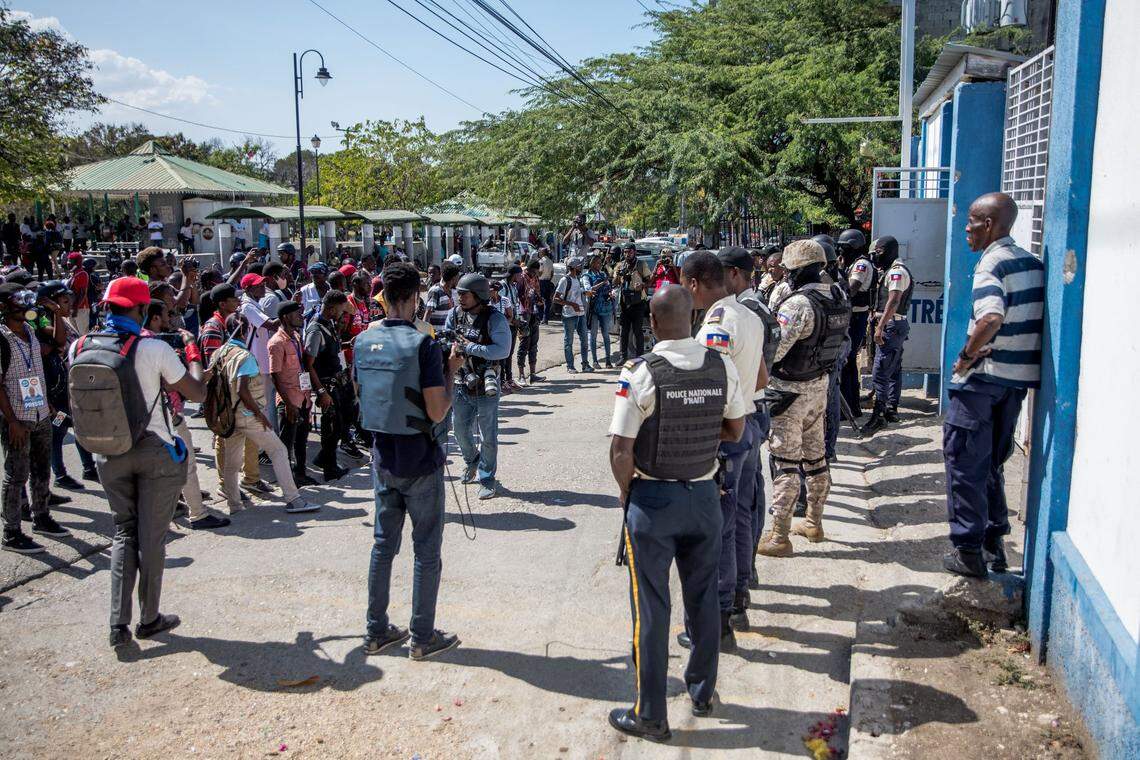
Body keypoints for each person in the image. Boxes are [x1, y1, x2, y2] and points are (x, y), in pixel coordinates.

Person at [607, 284, 747, 741]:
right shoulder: (720, 364)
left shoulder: (642, 373)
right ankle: (703, 692)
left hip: (654, 501)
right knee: (703, 599)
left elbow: (620, 450)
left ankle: (650, 714)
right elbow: (735, 426)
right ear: (693, 317)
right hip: (706, 498)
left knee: (652, 608)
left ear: (651, 322)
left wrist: (630, 496)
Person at [69, 277, 205, 645]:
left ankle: (118, 623)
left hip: (107, 452)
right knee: (152, 539)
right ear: (143, 308)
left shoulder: (79, 346)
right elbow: (195, 391)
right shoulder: (153, 347)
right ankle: (149, 618)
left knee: (123, 533)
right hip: (153, 451)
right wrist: (193, 355)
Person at [356, 261, 466, 660]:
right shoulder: (425, 345)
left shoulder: (363, 341)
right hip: (420, 458)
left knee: (383, 546)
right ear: (415, 298)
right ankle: (422, 637)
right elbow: (437, 411)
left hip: (382, 455)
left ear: (383, 295)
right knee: (426, 551)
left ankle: (375, 631)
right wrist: (451, 371)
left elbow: (362, 391)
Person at [943, 193, 1044, 577]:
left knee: (965, 462)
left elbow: (990, 317)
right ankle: (992, 544)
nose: (965, 227)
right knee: (991, 465)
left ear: (988, 224)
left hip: (983, 380)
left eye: (971, 220)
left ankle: (967, 551)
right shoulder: (1030, 262)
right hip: (1014, 384)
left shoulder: (991, 264)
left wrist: (967, 355)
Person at [685, 250, 766, 646]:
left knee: (715, 528)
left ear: (695, 283)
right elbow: (762, 378)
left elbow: (709, 388)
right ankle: (738, 597)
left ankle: (716, 621)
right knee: (741, 518)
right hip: (748, 425)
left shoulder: (717, 324)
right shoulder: (750, 316)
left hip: (726, 435)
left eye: (688, 287)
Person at [756, 239, 849, 558]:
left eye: (788, 270)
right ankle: (813, 522)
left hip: (789, 392)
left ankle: (779, 536)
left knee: (786, 463)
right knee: (816, 458)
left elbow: (775, 350)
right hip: (819, 388)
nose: (786, 276)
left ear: (796, 271)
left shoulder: (798, 304)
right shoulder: (838, 296)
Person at [212, 313, 319, 516]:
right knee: (278, 451)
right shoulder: (245, 357)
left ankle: (234, 504)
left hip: (229, 417)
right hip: (247, 415)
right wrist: (258, 415)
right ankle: (293, 499)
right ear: (244, 330)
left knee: (232, 463)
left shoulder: (220, 352)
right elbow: (243, 390)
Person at [140, 299, 229, 530]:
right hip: (165, 415)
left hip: (139, 417)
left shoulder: (128, 341)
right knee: (185, 463)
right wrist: (191, 349)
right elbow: (191, 389)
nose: (171, 319)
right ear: (155, 317)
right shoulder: (154, 345)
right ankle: (198, 514)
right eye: (167, 314)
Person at [0, 283, 69, 554]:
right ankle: (12, 532)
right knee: (15, 475)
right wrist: (13, 422)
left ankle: (41, 516)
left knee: (42, 470)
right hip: (16, 418)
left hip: (40, 412)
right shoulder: (2, 338)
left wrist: (47, 403)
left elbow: (58, 343)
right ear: (4, 306)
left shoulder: (29, 330)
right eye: (19, 300)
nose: (26, 304)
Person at [444, 273, 512, 500]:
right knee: (460, 431)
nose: (460, 298)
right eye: (459, 294)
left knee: (488, 436)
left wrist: (471, 348)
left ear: (479, 296)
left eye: (465, 294)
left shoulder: (495, 319)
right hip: (461, 383)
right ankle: (472, 461)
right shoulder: (455, 314)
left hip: (486, 385)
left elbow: (502, 350)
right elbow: (447, 337)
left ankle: (486, 477)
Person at [862, 236, 912, 434]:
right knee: (893, 368)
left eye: (879, 252)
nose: (876, 256)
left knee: (881, 370)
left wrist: (880, 326)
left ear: (889, 251)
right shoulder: (891, 271)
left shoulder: (897, 272)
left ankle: (879, 414)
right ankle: (891, 408)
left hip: (891, 325)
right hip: (894, 324)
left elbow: (894, 300)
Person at [303, 289, 352, 483]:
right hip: (326, 386)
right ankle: (329, 468)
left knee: (343, 420)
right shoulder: (315, 330)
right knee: (331, 425)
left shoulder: (328, 324)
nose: (342, 314)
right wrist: (321, 392)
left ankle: (324, 458)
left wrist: (348, 343)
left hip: (338, 381)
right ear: (331, 309)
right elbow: (308, 363)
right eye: (340, 310)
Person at [268, 301, 316, 488]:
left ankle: (300, 474)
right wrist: (288, 404)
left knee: (302, 439)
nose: (301, 317)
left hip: (302, 396)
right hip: (290, 400)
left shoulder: (296, 337)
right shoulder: (276, 343)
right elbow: (275, 376)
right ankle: (286, 482)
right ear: (286, 317)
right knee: (286, 443)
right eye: (297, 314)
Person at [238, 273, 280, 435]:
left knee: (265, 402)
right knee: (262, 403)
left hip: (260, 361)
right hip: (255, 362)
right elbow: (271, 325)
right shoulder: (248, 306)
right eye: (259, 286)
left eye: (263, 284)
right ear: (248, 289)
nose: (263, 288)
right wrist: (289, 311)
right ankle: (263, 446)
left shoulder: (254, 303)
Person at [839, 229, 872, 418]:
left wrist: (840, 273)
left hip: (857, 317)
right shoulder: (856, 263)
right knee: (848, 363)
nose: (841, 252)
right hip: (854, 317)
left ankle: (850, 407)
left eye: (844, 248)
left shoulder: (861, 264)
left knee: (847, 361)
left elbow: (851, 290)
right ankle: (851, 407)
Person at [615, 243, 651, 362]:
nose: (627, 254)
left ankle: (640, 357)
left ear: (634, 252)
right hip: (624, 303)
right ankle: (623, 357)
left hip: (638, 302)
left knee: (637, 331)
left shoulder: (641, 264)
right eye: (625, 252)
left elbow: (649, 281)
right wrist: (618, 275)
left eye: (629, 252)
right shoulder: (620, 265)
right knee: (623, 332)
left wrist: (642, 285)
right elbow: (614, 282)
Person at [554, 257, 590, 372]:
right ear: (573, 267)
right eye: (579, 266)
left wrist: (585, 293)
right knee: (568, 342)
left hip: (581, 314)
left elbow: (576, 294)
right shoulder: (565, 280)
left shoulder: (578, 279)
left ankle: (585, 364)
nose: (581, 268)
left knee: (584, 340)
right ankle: (570, 366)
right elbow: (556, 298)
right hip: (569, 315)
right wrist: (571, 304)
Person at [583, 254, 616, 369]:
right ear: (592, 264)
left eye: (600, 263)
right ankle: (595, 361)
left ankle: (608, 361)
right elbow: (589, 289)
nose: (599, 265)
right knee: (593, 335)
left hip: (605, 309)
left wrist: (611, 294)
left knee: (606, 335)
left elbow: (609, 289)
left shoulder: (603, 274)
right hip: (593, 310)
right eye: (597, 262)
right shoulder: (586, 276)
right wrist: (603, 283)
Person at [517, 261, 545, 383]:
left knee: (533, 344)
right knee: (524, 343)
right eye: (534, 271)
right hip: (524, 313)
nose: (535, 274)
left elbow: (537, 293)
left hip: (534, 313)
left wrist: (539, 300)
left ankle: (533, 374)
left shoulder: (535, 277)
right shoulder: (521, 278)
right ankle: (521, 375)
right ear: (530, 269)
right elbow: (518, 295)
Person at [424, 262, 459, 332]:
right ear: (454, 278)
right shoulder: (436, 291)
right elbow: (428, 313)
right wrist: (425, 335)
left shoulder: (453, 292)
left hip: (447, 336)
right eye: (458, 277)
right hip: (436, 336)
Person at [65, 253, 91, 335]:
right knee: (74, 334)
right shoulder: (73, 273)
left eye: (70, 260)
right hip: (72, 308)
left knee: (83, 334)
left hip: (80, 309)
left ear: (77, 262)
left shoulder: (82, 274)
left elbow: (82, 293)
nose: (68, 262)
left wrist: (75, 309)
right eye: (68, 260)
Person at [537, 247, 555, 323]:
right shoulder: (550, 261)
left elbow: (540, 272)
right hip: (548, 281)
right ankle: (546, 318)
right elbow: (552, 273)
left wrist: (537, 274)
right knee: (547, 301)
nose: (539, 253)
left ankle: (540, 317)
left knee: (539, 299)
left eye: (540, 252)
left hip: (541, 282)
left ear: (542, 253)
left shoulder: (541, 261)